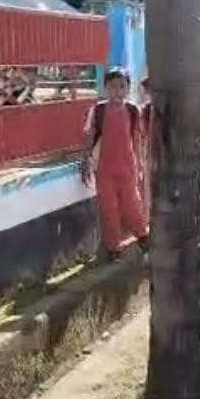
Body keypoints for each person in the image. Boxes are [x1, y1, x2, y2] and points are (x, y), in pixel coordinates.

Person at [81, 68, 149, 261]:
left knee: (132, 206)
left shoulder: (133, 111)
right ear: (105, 88)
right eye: (112, 87)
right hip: (104, 171)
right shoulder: (98, 111)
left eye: (121, 86)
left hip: (127, 169)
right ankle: (113, 249)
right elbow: (89, 137)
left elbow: (137, 140)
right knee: (108, 209)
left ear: (128, 88)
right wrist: (85, 161)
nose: (117, 91)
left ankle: (143, 238)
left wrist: (140, 165)